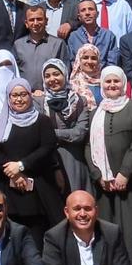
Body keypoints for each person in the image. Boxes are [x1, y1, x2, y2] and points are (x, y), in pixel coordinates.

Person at [0, 78, 63, 242]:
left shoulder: (42, 121)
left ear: (30, 95)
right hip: (7, 185)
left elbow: (47, 147)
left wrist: (21, 165)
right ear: (8, 97)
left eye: (23, 94)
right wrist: (13, 173)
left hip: (37, 186)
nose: (19, 99)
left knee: (36, 237)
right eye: (14, 95)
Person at [86, 66, 132, 236]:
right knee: (108, 231)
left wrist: (125, 172)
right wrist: (98, 175)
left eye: (116, 81)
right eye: (108, 81)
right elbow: (88, 146)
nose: (112, 85)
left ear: (123, 83)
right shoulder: (95, 113)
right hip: (105, 185)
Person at [41, 59, 92, 197]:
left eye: (56, 74)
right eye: (47, 76)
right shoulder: (39, 102)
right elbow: (39, 134)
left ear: (65, 74)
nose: (52, 79)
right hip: (49, 160)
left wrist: (53, 133)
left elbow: (79, 133)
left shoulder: (79, 101)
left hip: (74, 160)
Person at [13, 5, 70, 89]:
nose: (35, 23)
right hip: (26, 94)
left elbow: (65, 72)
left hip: (51, 93)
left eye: (39, 19)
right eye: (31, 20)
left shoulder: (58, 44)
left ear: (46, 21)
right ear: (26, 23)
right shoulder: (18, 45)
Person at [66, 0, 118, 68]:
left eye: (91, 9)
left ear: (97, 14)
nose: (87, 13)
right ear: (79, 17)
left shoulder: (109, 36)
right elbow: (72, 62)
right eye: (83, 10)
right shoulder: (73, 37)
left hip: (103, 74)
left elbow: (112, 64)